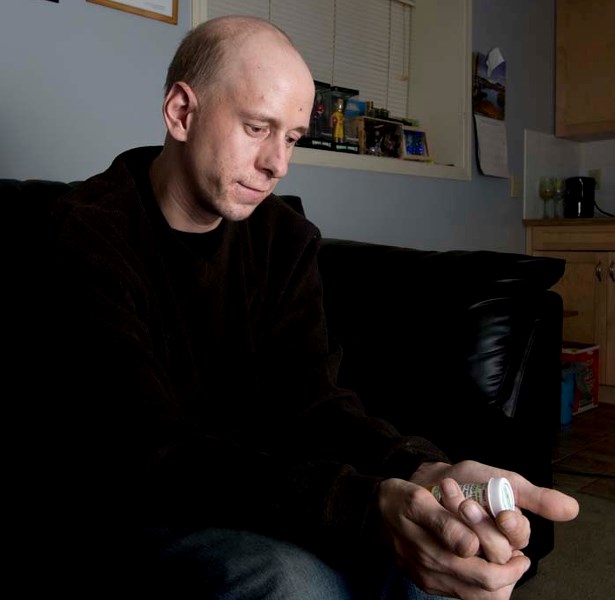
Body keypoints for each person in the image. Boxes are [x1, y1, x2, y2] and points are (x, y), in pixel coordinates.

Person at [32, 15, 579, 600]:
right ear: (182, 113)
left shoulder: (284, 239)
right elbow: (152, 456)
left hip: (266, 484)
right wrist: (363, 504)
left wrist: (421, 472)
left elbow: (312, 403)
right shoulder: (87, 236)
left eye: (291, 137)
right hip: (139, 505)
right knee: (294, 581)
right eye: (256, 128)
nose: (278, 164)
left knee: (424, 557)